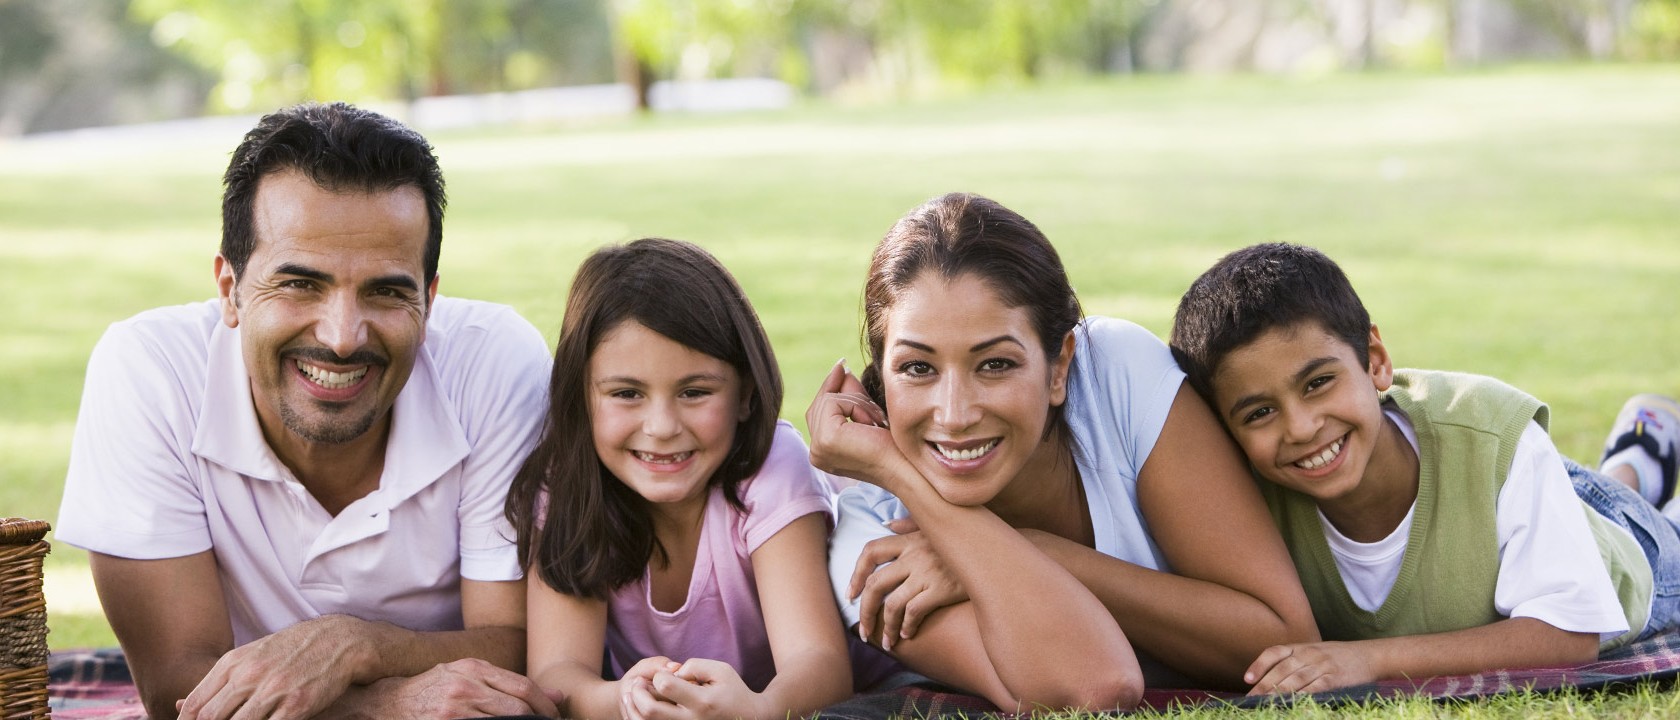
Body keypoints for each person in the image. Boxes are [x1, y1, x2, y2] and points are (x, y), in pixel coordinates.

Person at [54, 102, 558, 720]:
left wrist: (357, 645)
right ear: (229, 288)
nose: (343, 335)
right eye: (300, 284)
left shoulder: (496, 361)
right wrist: (389, 703)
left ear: (429, 299)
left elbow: (518, 647)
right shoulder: (149, 370)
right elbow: (175, 691)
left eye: (386, 290)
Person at [808, 193, 1319, 712]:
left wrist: (1041, 550)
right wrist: (900, 476)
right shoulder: (872, 542)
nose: (955, 413)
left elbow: (1286, 641)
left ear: (1058, 368)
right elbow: (1091, 689)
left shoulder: (1115, 375)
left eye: (996, 364)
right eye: (918, 368)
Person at [1168, 242, 1680, 695]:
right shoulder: (1242, 494)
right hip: (1519, 507)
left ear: (1375, 361)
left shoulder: (1490, 431)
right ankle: (1639, 449)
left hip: (1630, 553)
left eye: (1318, 382)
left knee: (1641, 519)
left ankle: (1638, 456)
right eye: (1260, 413)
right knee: (1570, 494)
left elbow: (1568, 634)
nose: (1300, 428)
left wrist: (1366, 659)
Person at [508, 238, 867, 720]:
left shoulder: (770, 466)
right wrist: (626, 700)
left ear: (744, 394)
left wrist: (757, 712)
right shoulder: (568, 482)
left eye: (695, 392)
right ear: (583, 397)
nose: (661, 427)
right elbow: (558, 673)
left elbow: (820, 664)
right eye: (627, 393)